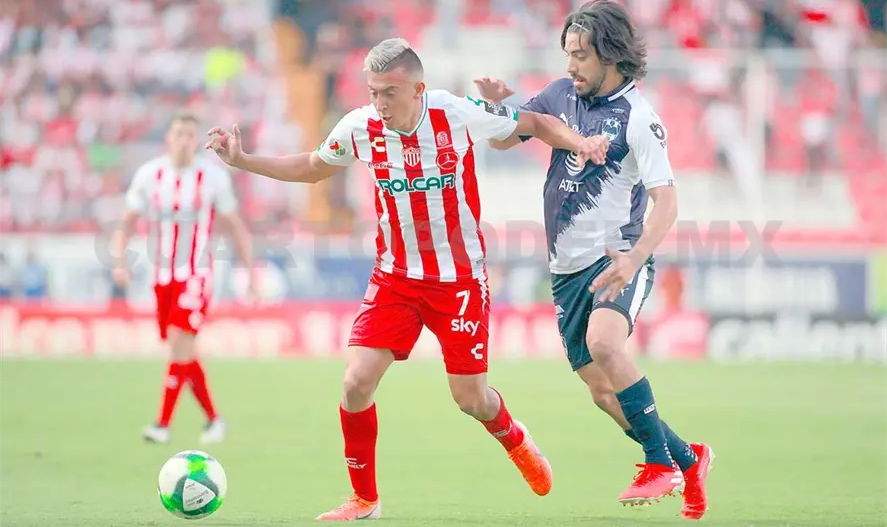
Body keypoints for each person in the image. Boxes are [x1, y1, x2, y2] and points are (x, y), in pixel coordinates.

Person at [206, 37, 606, 522]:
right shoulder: (360, 127)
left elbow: (535, 123)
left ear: (418, 89)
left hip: (459, 280)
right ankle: (365, 499)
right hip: (395, 277)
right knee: (356, 383)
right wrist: (244, 160)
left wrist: (581, 143)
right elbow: (313, 167)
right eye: (373, 92)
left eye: (389, 93)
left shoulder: (455, 113)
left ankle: (515, 438)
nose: (380, 103)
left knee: (471, 400)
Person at [473, 0, 715, 519]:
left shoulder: (640, 118)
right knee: (604, 394)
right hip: (565, 271)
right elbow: (507, 140)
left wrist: (635, 258)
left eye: (580, 55)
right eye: (567, 53)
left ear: (610, 54)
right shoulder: (561, 94)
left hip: (616, 259)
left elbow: (667, 203)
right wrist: (496, 110)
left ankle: (660, 465)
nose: (571, 65)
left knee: (605, 344)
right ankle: (689, 459)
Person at [113, 112, 256, 445]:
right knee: (182, 349)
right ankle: (214, 420)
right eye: (179, 133)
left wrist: (250, 272)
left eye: (190, 135)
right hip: (162, 275)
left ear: (197, 141)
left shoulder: (213, 177)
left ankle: (162, 425)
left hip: (198, 273)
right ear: (168, 138)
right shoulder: (150, 175)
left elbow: (236, 227)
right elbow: (127, 222)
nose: (184, 140)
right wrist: (119, 262)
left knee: (180, 340)